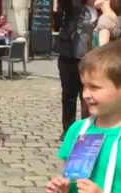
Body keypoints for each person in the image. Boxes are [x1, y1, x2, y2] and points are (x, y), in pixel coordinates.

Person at [46, 41, 121, 193]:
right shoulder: (78, 130)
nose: (86, 94)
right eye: (84, 86)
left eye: (95, 87)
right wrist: (64, 188)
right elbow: (73, 179)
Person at [54, 0, 96, 141]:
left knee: (88, 96)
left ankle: (88, 129)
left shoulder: (102, 10)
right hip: (70, 57)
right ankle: (68, 130)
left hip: (91, 60)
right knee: (69, 96)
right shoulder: (74, 7)